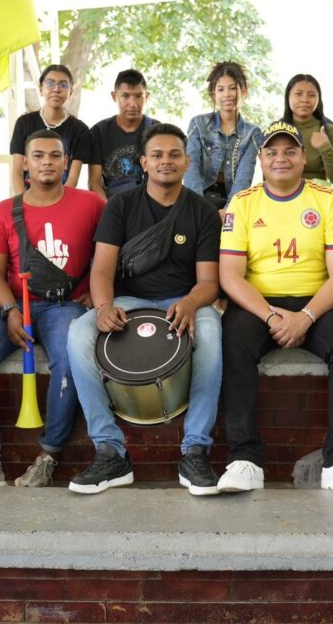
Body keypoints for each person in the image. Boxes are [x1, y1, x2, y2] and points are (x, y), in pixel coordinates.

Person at [67, 123, 222, 495]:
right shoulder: (121, 205)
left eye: (174, 155)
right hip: (128, 300)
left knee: (213, 335)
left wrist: (189, 302)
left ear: (187, 162)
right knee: (77, 334)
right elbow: (101, 269)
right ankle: (109, 450)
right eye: (157, 155)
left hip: (184, 300)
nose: (165, 161)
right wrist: (104, 307)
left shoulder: (202, 211)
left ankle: (196, 449)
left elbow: (209, 283)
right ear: (143, 163)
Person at [219, 122, 333, 494]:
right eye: (272, 152)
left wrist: (306, 317)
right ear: (261, 160)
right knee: (233, 341)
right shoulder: (242, 203)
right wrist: (271, 316)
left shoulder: (327, 199)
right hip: (260, 304)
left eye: (290, 151)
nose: (281, 158)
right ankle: (244, 459)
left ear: (304, 158)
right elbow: (230, 276)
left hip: (316, 302)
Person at [0, 129, 106, 488]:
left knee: (70, 361)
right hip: (11, 306)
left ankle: (48, 455)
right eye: (39, 155)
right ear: (25, 164)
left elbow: (109, 257)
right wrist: (10, 310)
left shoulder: (92, 204)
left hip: (64, 306)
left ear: (65, 162)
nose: (47, 161)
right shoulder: (2, 212)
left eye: (55, 155)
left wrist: (96, 292)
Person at [183, 61, 262, 215]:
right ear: (214, 93)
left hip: (233, 202)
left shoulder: (253, 132)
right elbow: (190, 168)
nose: (227, 94)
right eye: (221, 89)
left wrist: (228, 210)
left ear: (244, 91)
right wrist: (199, 208)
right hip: (198, 199)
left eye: (233, 88)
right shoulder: (198, 124)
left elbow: (244, 178)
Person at [9, 65, 92, 194]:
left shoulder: (80, 130)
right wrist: (22, 203)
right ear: (41, 89)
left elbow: (73, 178)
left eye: (63, 85)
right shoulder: (24, 123)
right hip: (27, 196)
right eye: (50, 83)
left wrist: (59, 205)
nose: (56, 89)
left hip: (61, 198)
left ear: (71, 92)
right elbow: (17, 172)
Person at [87, 69, 159, 199]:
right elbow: (94, 183)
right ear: (114, 96)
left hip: (150, 202)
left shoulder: (157, 131)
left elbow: (165, 177)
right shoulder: (99, 131)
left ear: (146, 97)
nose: (132, 104)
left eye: (138, 96)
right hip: (112, 201)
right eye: (125, 96)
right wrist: (110, 211)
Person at [278, 74, 333, 188]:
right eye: (298, 94)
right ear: (288, 97)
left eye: (312, 95)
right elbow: (268, 177)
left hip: (318, 197)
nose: (305, 100)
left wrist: (325, 147)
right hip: (283, 195)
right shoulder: (277, 130)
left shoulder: (328, 130)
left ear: (318, 99)